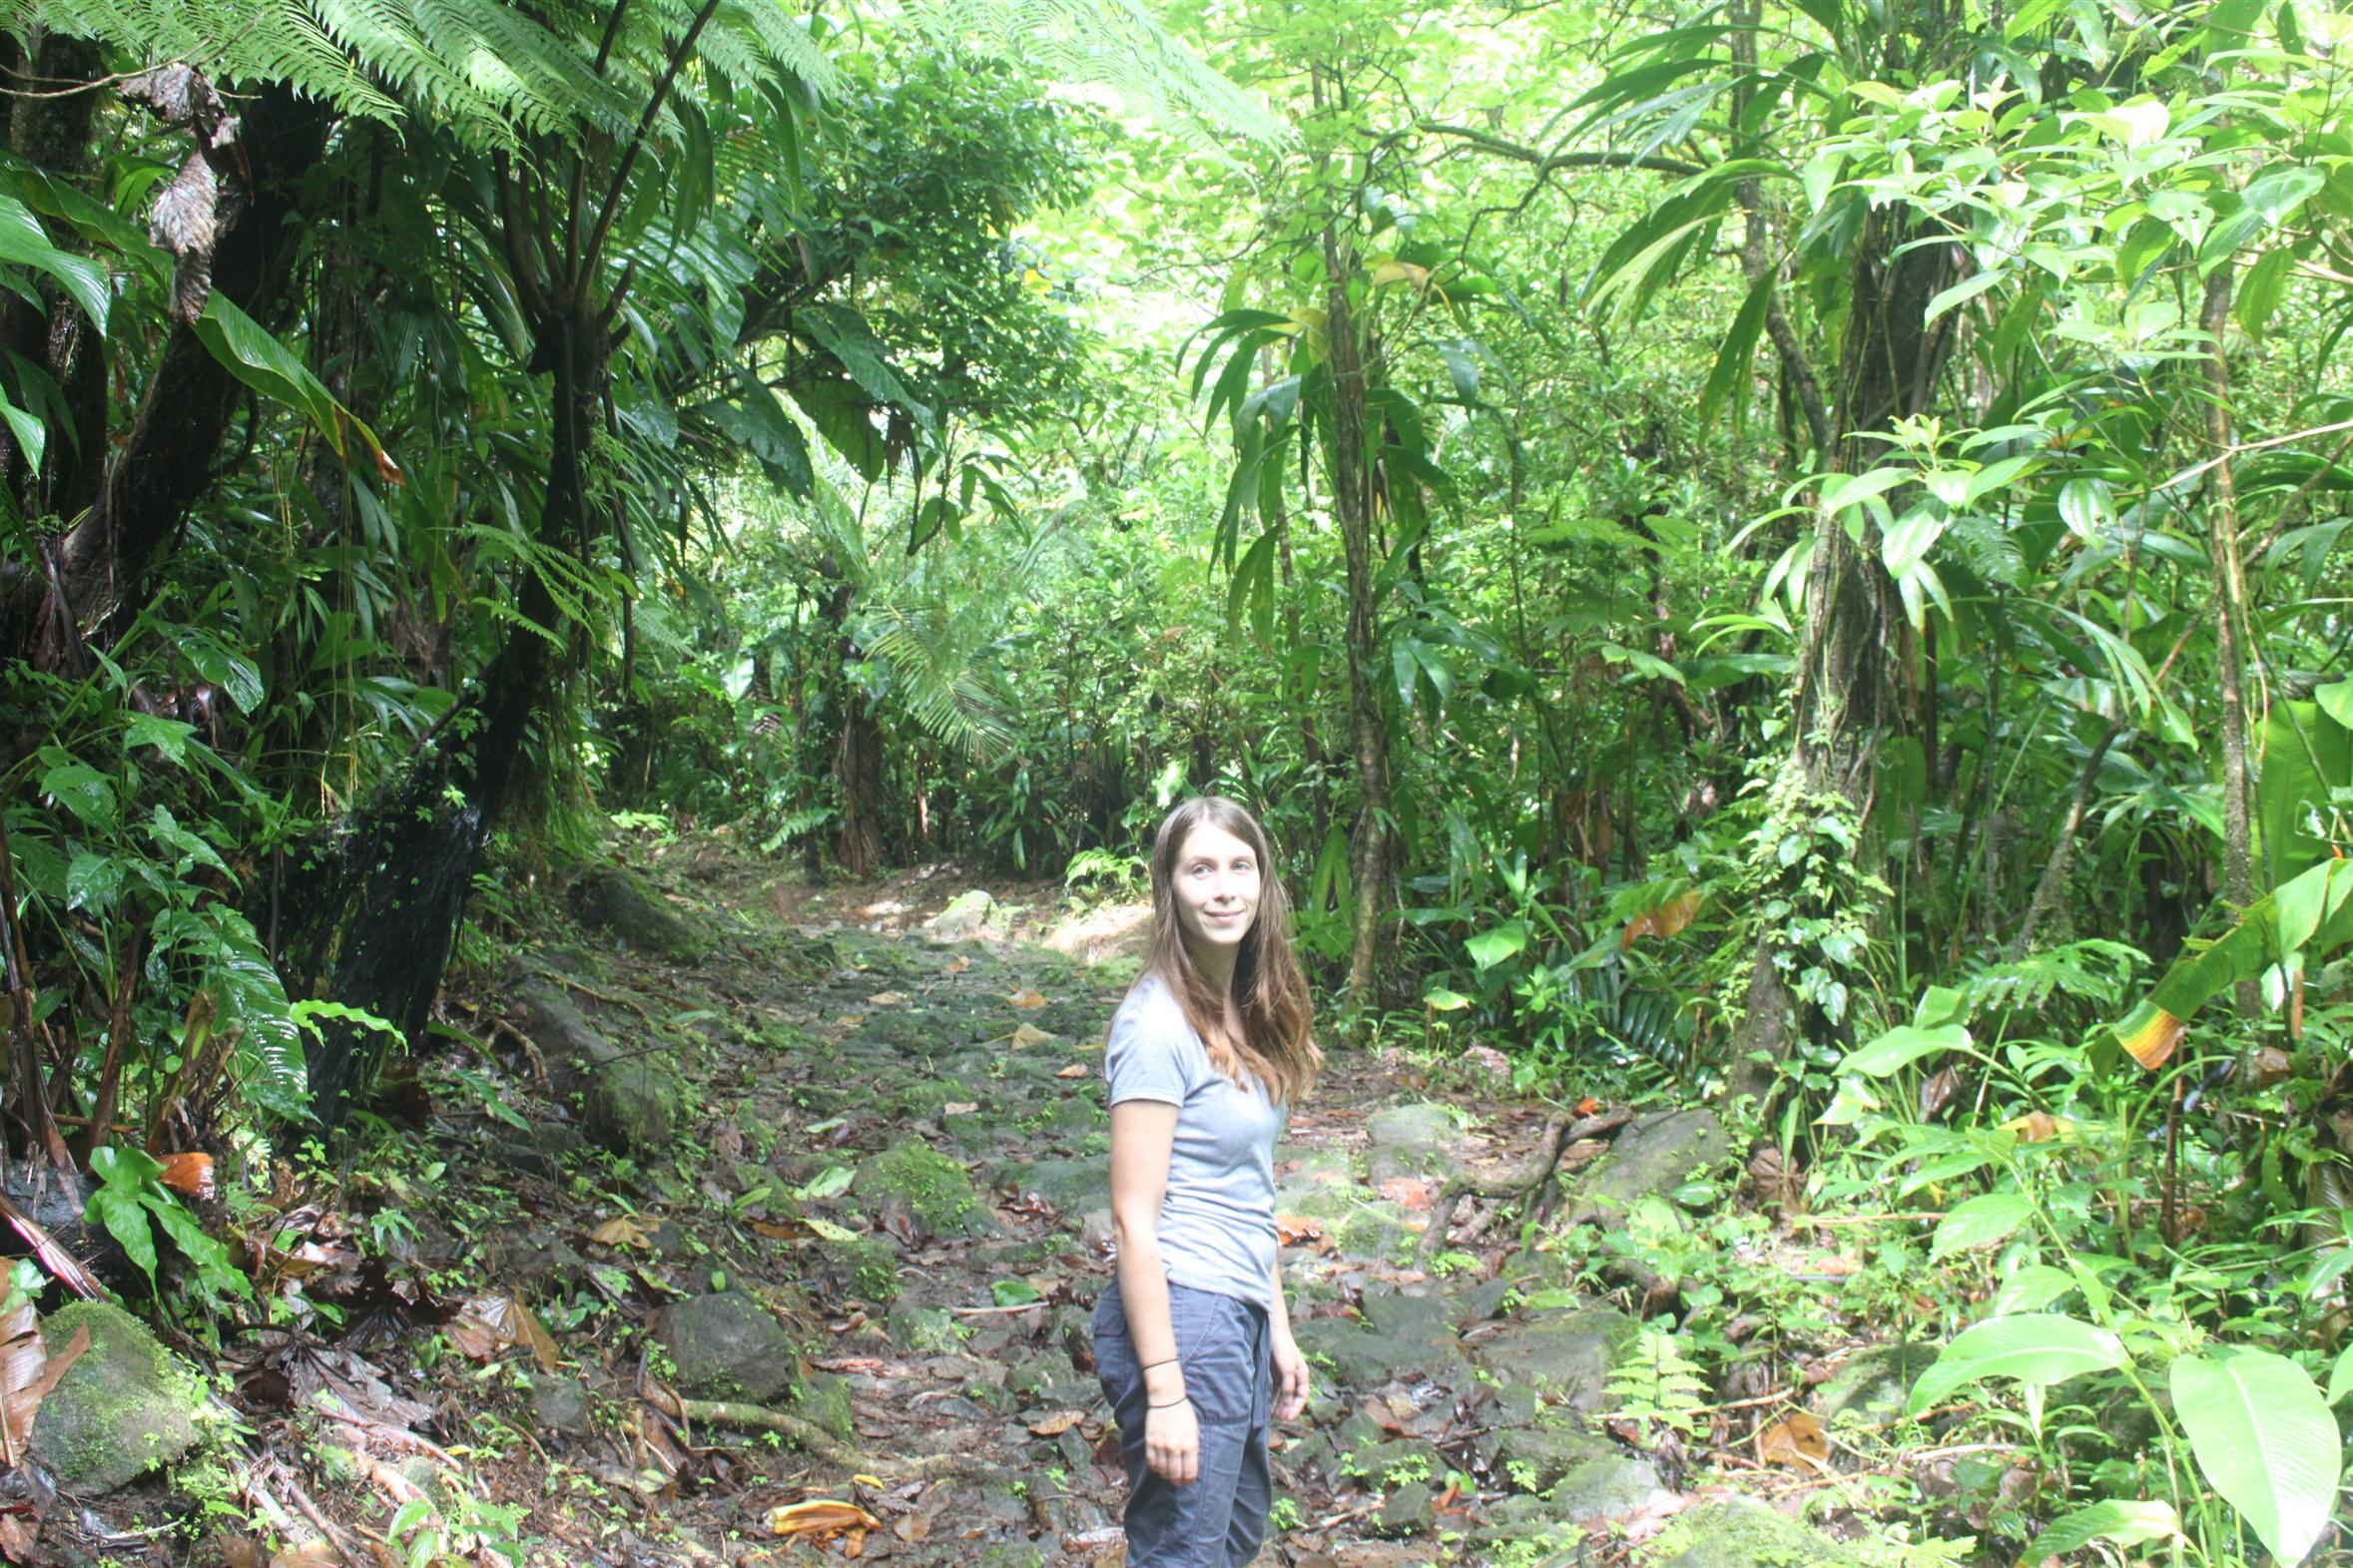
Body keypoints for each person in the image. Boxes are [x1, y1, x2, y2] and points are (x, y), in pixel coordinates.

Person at [1092, 794, 1324, 1567]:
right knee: (1184, 1553)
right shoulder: (1156, 1024)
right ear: (1169, 887)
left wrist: (1276, 1325)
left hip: (1235, 1307)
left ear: (1263, 881)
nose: (1223, 888)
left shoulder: (1243, 1008)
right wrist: (1165, 1389)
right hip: (1185, 1313)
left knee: (1231, 1537)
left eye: (1239, 866)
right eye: (1200, 869)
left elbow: (1247, 1188)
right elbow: (1132, 1220)